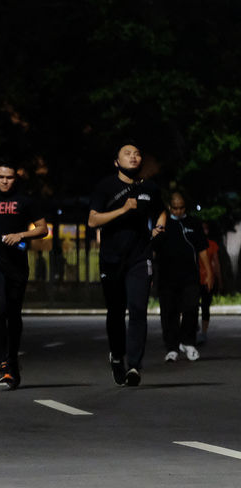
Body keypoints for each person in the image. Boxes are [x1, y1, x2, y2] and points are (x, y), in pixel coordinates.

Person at [88, 141, 163, 387]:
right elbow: (93, 220)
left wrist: (160, 226)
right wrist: (123, 209)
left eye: (137, 154)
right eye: (127, 154)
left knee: (139, 309)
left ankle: (134, 366)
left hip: (140, 257)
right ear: (116, 162)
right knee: (116, 311)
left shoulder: (149, 187)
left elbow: (160, 211)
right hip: (112, 258)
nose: (133, 157)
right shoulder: (105, 186)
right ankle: (117, 356)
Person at [0, 159, 47, 389]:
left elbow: (43, 229)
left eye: (10, 177)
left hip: (17, 265)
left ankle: (12, 361)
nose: (5, 181)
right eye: (1, 176)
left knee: (13, 314)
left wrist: (21, 235)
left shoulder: (25, 201)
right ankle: (3, 363)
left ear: (16, 177)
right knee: (0, 308)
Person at [153, 193, 214, 362]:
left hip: (189, 276)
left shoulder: (194, 223)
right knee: (169, 312)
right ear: (170, 207)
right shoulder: (163, 223)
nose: (178, 211)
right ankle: (172, 347)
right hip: (167, 277)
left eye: (181, 208)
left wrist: (209, 273)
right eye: (175, 208)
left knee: (191, 308)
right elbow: (153, 248)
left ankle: (188, 342)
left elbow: (202, 250)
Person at [197, 221, 221, 345]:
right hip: (195, 279)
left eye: (206, 228)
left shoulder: (212, 245)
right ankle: (195, 328)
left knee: (205, 306)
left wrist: (218, 278)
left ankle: (204, 332)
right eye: (203, 228)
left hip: (208, 280)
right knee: (192, 305)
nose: (204, 231)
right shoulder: (193, 243)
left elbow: (216, 263)